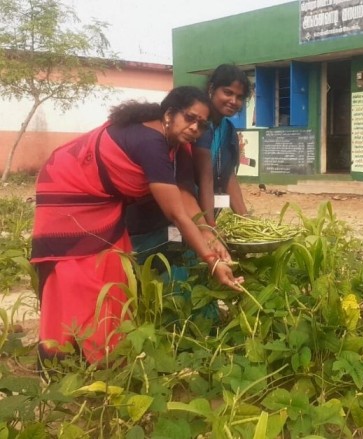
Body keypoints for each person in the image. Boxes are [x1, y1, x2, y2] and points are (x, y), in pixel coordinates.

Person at [31, 86, 244, 364]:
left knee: (113, 269)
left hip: (104, 201)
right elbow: (177, 214)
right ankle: (61, 352)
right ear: (170, 114)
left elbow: (184, 194)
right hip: (69, 191)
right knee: (79, 274)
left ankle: (104, 352)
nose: (195, 128)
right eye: (190, 118)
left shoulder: (176, 143)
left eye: (201, 124)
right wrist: (212, 261)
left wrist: (209, 234)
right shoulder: (150, 142)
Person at [194, 64, 252, 226]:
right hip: (186, 211)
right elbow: (204, 178)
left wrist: (246, 221)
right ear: (212, 89)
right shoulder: (197, 125)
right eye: (228, 92)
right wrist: (210, 227)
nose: (234, 101)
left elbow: (227, 175)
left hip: (207, 213)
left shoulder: (227, 129)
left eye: (239, 97)